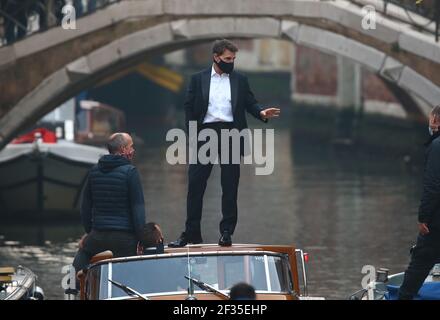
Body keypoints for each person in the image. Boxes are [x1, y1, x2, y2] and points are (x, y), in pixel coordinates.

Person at [169, 39, 280, 248]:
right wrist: (192, 135)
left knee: (230, 186)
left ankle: (226, 232)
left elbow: (250, 102)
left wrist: (261, 113)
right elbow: (189, 107)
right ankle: (191, 233)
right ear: (216, 57)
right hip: (205, 134)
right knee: (195, 185)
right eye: (228, 59)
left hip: (231, 133)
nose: (231, 62)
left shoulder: (240, 79)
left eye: (234, 59)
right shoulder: (197, 79)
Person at [72, 133, 146, 278]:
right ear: (123, 149)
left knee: (80, 260)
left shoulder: (94, 171)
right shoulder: (131, 173)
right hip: (125, 240)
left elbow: (85, 207)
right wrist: (141, 240)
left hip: (98, 236)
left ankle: (75, 288)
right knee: (132, 276)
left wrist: (90, 233)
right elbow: (138, 210)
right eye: (131, 147)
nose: (133, 150)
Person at [398, 105, 440, 299]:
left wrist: (423, 218)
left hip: (435, 225)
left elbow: (432, 186)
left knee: (414, 275)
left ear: (435, 120)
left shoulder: (436, 146)